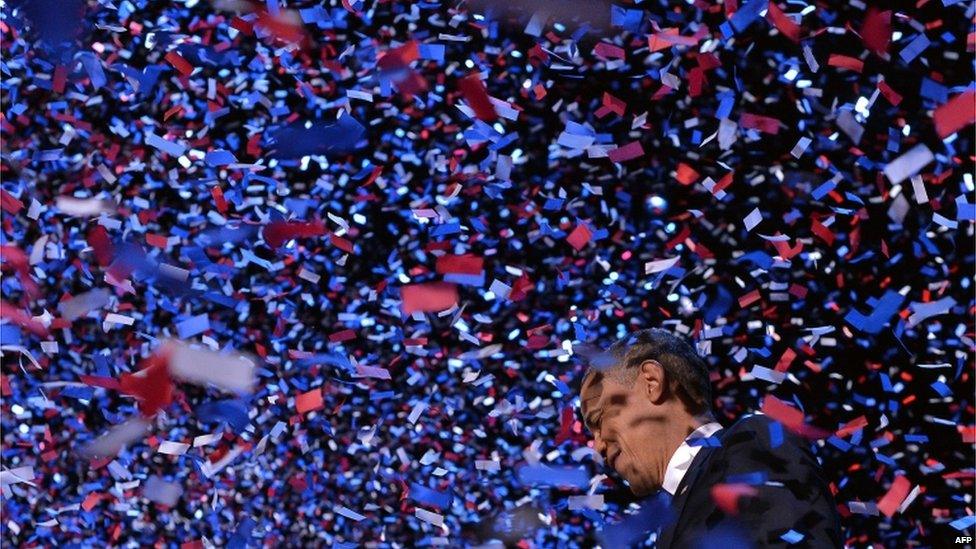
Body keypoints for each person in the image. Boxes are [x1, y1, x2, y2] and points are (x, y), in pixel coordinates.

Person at [579, 328, 842, 548]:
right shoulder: (671, 519)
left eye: (599, 419)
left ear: (651, 382)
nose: (599, 446)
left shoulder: (752, 443)